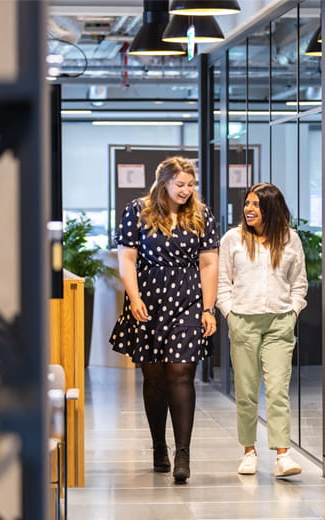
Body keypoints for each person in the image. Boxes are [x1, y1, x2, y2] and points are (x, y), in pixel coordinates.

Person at [109, 156, 219, 483]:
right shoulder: (137, 210)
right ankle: (159, 446)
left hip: (188, 298)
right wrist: (134, 297)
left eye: (191, 185)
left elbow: (209, 263)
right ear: (164, 183)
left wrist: (208, 307)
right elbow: (126, 258)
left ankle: (183, 453)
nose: (186, 191)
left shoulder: (202, 214)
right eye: (180, 185)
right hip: (149, 298)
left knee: (182, 372)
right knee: (155, 378)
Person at [216, 183, 308, 477]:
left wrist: (293, 311)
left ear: (271, 209)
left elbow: (299, 282)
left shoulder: (290, 239)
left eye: (256, 204)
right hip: (243, 320)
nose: (249, 209)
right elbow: (223, 282)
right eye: (247, 204)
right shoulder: (232, 239)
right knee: (246, 392)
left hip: (280, 321)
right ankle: (249, 451)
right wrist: (229, 313)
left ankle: (283, 455)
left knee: (279, 390)